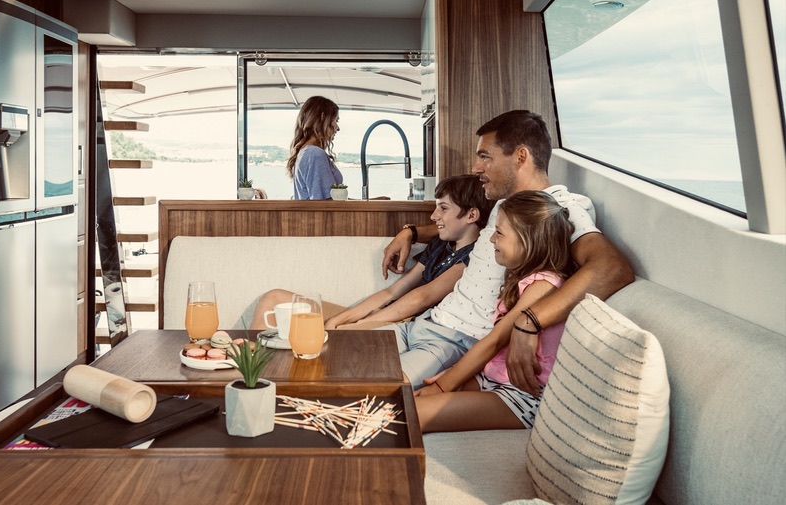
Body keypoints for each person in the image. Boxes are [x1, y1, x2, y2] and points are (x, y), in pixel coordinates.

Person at [380, 110, 634, 390]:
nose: (476, 167)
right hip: (428, 321)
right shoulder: (505, 205)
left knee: (366, 388)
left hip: (460, 341)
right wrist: (412, 232)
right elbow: (464, 223)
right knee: (346, 356)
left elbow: (611, 268)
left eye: (485, 157)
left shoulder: (560, 209)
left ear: (521, 156)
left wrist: (530, 320)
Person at [412, 190, 573, 432]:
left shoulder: (544, 286)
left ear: (528, 240)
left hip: (521, 395)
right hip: (490, 378)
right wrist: (453, 375)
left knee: (412, 413)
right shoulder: (520, 280)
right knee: (407, 399)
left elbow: (496, 340)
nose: (491, 240)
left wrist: (443, 386)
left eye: (499, 233)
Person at [250, 174, 492, 331]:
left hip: (404, 326)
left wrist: (359, 325)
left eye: (443, 208)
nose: (433, 215)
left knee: (337, 332)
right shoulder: (441, 244)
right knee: (273, 298)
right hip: (381, 316)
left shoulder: (475, 258)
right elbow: (392, 291)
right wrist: (342, 319)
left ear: (472, 215)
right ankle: (251, 375)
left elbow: (421, 298)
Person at [288, 96, 343, 200]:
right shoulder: (314, 154)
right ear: (323, 118)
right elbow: (324, 204)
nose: (338, 128)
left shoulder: (306, 152)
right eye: (336, 120)